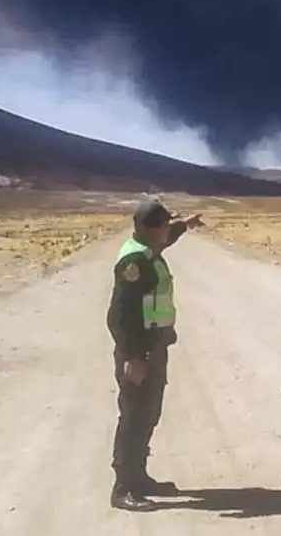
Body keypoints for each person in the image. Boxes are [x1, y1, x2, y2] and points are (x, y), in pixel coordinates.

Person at [106, 197, 203, 512]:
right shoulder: (134, 262)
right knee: (133, 415)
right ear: (149, 229)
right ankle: (122, 488)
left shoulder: (148, 248)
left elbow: (168, 237)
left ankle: (139, 476)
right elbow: (119, 315)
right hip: (138, 352)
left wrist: (185, 225)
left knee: (149, 413)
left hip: (153, 347)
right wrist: (133, 357)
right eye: (163, 225)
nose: (167, 231)